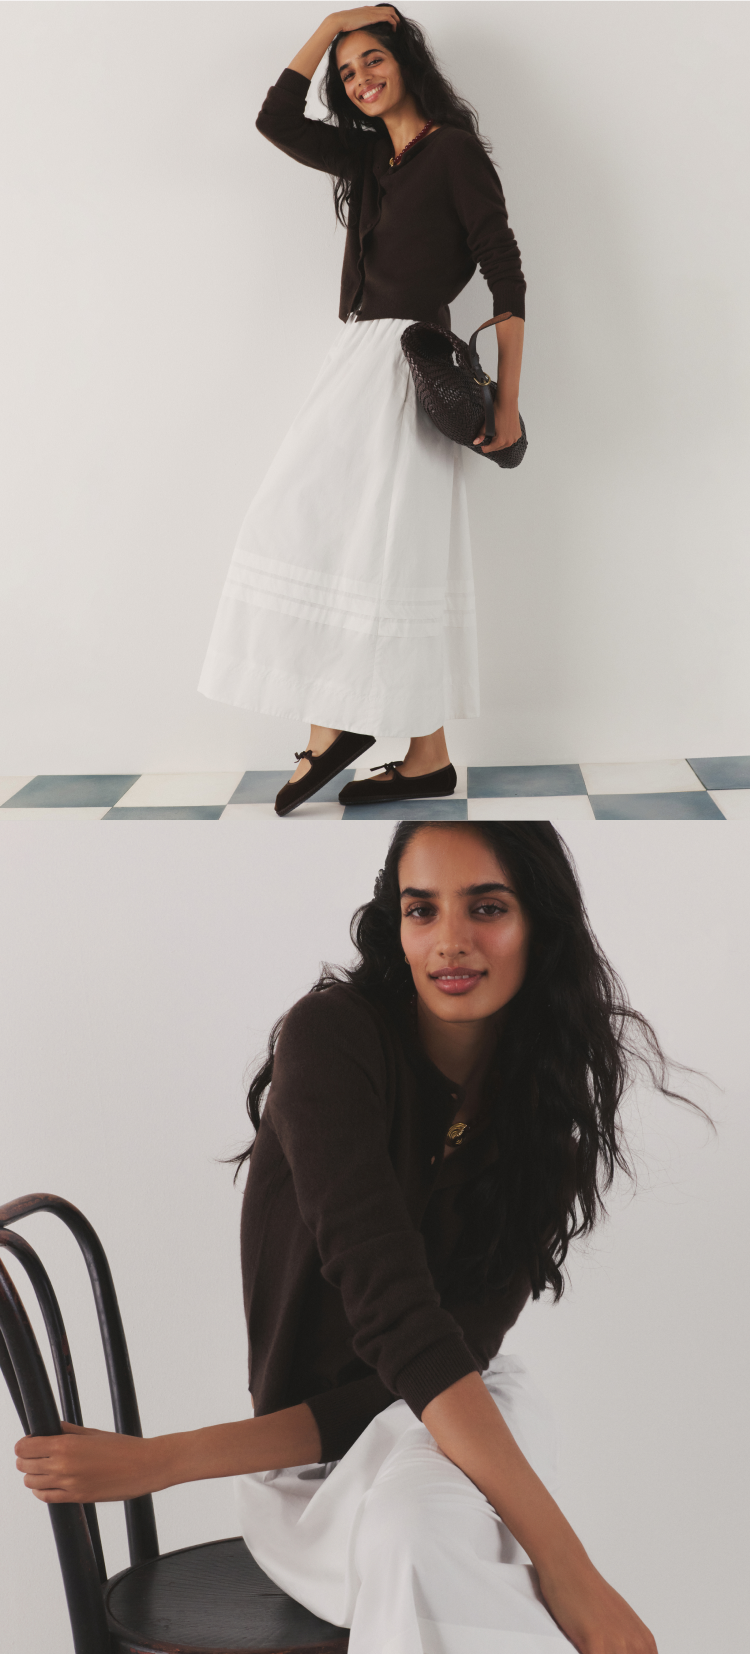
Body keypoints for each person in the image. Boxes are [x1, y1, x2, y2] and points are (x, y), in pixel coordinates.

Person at [18, 819, 701, 1654]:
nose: (450, 941)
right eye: (422, 911)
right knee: (420, 1536)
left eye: (487, 907)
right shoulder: (332, 1042)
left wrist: (571, 1568)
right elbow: (397, 1329)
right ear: (397, 927)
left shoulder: (541, 1142)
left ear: (539, 927)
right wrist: (570, 1574)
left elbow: (437, 1365)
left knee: (422, 1527)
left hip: (470, 1419)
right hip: (311, 1479)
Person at [197, 8, 526, 816]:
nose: (359, 78)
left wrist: (508, 404)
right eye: (347, 72)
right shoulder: (368, 155)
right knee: (363, 541)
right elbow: (276, 117)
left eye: (372, 58)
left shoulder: (453, 152)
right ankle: (427, 760)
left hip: (409, 366)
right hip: (358, 360)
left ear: (408, 61)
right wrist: (334, 23)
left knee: (370, 545)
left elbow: (507, 277)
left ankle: (335, 726)